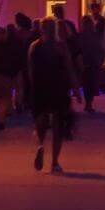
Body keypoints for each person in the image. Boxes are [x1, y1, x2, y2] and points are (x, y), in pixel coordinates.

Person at [29, 17, 79, 172]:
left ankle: (40, 145)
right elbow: (69, 68)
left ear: (41, 30)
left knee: (40, 121)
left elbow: (30, 70)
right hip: (59, 87)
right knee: (59, 125)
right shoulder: (61, 47)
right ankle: (55, 162)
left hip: (40, 87)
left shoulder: (34, 46)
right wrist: (76, 88)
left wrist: (30, 89)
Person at [77, 14, 105, 112]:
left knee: (91, 83)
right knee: (88, 83)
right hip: (87, 62)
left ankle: (89, 103)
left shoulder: (93, 35)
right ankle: (88, 103)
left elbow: (100, 48)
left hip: (92, 61)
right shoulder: (82, 35)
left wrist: (100, 59)